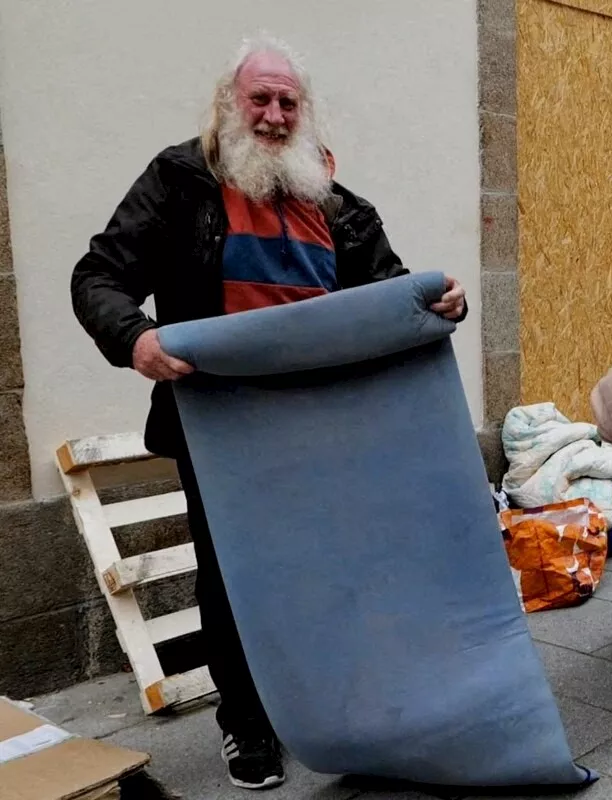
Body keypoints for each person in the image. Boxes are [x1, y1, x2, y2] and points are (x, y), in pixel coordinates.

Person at [69, 36, 467, 791]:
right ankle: (246, 726)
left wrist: (444, 299)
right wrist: (137, 339)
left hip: (323, 429)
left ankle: (326, 708)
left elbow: (391, 294)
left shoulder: (337, 206)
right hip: (220, 429)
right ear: (231, 103)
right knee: (232, 580)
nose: (276, 115)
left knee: (326, 574)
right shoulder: (179, 182)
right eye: (261, 99)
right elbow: (98, 277)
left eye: (288, 102)